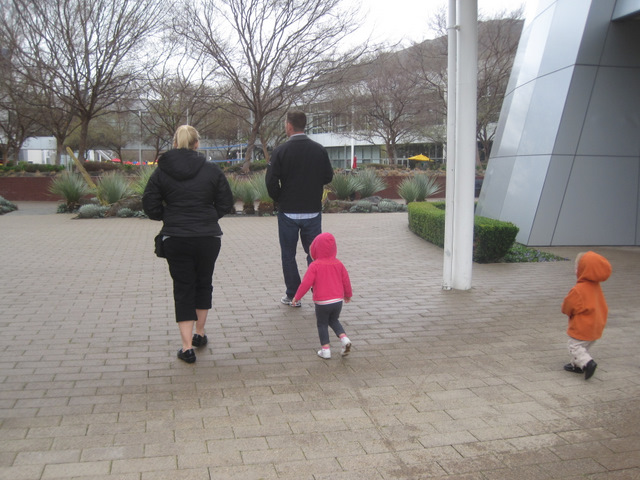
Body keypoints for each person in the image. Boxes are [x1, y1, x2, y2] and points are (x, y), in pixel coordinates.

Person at [143, 125, 234, 364]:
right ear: (197, 143)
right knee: (204, 283)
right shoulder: (211, 170)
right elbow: (225, 202)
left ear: (175, 143)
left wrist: (169, 216)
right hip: (208, 238)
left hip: (176, 237)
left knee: (183, 288)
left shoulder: (161, 171)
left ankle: (186, 348)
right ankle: (199, 334)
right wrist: (208, 217)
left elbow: (150, 204)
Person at [266, 111, 334, 306]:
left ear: (289, 126)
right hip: (312, 210)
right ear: (304, 125)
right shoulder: (319, 150)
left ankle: (293, 294)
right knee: (315, 254)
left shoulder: (280, 151)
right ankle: (319, 291)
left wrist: (280, 198)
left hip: (288, 211)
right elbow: (328, 176)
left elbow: (271, 181)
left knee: (288, 254)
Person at [290, 232, 352, 359]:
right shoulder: (339, 264)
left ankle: (325, 350)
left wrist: (297, 297)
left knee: (322, 324)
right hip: (337, 301)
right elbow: (346, 280)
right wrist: (348, 294)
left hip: (322, 302)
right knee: (334, 320)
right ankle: (344, 339)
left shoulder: (314, 265)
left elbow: (306, 283)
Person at [561, 251, 612, 380]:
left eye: (577, 267)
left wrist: (566, 311)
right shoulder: (596, 287)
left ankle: (587, 363)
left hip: (583, 326)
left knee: (574, 346)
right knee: (583, 347)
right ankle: (576, 365)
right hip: (596, 326)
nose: (575, 270)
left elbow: (568, 306)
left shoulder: (579, 289)